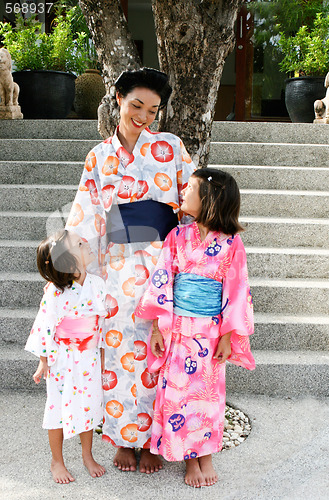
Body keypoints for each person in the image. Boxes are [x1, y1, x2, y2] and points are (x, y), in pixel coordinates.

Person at [66, 67, 195, 473]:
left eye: (153, 111)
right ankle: (124, 437)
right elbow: (84, 216)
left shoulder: (171, 147)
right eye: (136, 105)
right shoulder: (99, 155)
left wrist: (195, 260)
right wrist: (72, 266)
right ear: (118, 98)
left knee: (162, 352)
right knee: (121, 350)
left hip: (163, 260)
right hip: (117, 265)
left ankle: (156, 439)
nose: (143, 116)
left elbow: (193, 203)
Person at [135, 168, 255, 487]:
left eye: (190, 188)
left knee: (209, 394)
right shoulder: (177, 237)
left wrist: (230, 335)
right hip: (177, 328)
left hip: (211, 331)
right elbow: (163, 280)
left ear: (209, 200)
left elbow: (238, 290)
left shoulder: (231, 243)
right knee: (179, 395)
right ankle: (189, 457)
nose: (183, 192)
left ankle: (207, 455)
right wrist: (158, 328)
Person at [25, 229, 107, 484]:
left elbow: (101, 323)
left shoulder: (97, 285)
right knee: (57, 409)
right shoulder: (54, 293)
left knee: (89, 404)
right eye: (81, 245)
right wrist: (43, 361)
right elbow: (45, 325)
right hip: (62, 359)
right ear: (68, 264)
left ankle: (87, 455)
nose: (88, 245)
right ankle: (57, 460)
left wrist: (102, 355)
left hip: (88, 356)